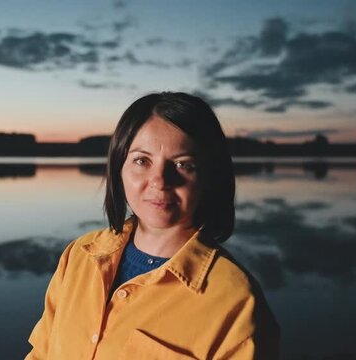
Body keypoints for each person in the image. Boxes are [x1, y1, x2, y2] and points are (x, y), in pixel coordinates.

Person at [26, 92, 279, 359]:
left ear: (210, 176)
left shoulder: (236, 301)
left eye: (183, 164)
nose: (159, 181)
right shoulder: (78, 256)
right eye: (141, 161)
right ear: (118, 168)